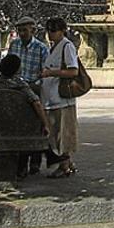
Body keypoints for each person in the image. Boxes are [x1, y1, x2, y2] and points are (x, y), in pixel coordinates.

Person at [7, 16, 49, 176]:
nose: (22, 33)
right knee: (21, 128)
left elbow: (44, 71)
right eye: (20, 30)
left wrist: (35, 85)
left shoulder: (41, 48)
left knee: (35, 126)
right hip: (17, 89)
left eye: (25, 30)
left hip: (33, 87)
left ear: (33, 30)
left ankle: (35, 162)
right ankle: (21, 164)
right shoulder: (14, 45)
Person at [39, 17, 80, 178]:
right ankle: (67, 164)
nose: (50, 34)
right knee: (56, 134)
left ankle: (64, 166)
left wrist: (50, 73)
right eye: (48, 30)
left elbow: (73, 71)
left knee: (62, 135)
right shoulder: (54, 47)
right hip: (51, 99)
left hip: (62, 99)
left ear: (62, 30)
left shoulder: (66, 46)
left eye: (53, 30)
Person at [0, 53, 51, 144]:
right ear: (16, 69)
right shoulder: (20, 84)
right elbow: (37, 103)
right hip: (20, 124)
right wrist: (46, 124)